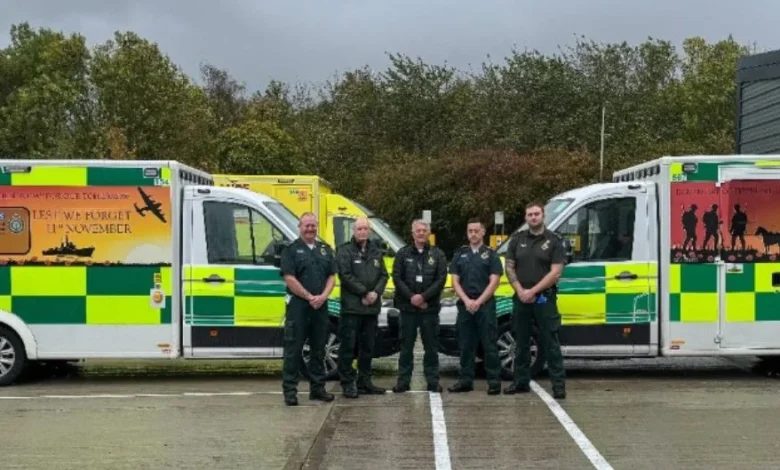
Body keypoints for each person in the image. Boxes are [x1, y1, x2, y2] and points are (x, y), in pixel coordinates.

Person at [503, 201, 567, 399]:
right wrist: (521, 291)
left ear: (543, 215)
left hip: (543, 299)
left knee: (551, 343)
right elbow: (509, 267)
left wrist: (533, 291)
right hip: (521, 298)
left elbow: (556, 272)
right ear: (525, 217)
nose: (533, 217)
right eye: (529, 214)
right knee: (520, 343)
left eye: (536, 214)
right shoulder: (516, 240)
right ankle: (521, 382)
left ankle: (558, 386)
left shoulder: (554, 241)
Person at [279, 212, 337, 406]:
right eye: (307, 225)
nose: (310, 229)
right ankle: (290, 392)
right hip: (299, 306)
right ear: (300, 226)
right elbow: (289, 277)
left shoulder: (325, 250)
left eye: (313, 225)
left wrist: (323, 296)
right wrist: (308, 296)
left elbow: (332, 276)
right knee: (293, 350)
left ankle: (318, 389)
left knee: (319, 350)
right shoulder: (291, 250)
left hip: (320, 306)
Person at [447, 218, 504, 395]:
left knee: (489, 344)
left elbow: (494, 281)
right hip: (465, 305)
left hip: (485, 305)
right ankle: (465, 380)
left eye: (476, 231)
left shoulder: (492, 255)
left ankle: (494, 382)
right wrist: (466, 300)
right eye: (470, 231)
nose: (473, 234)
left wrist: (478, 302)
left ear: (483, 232)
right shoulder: (460, 254)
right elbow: (454, 281)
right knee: (465, 345)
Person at [391, 219, 448, 393]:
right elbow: (397, 277)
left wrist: (423, 297)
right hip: (408, 309)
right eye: (418, 230)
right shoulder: (402, 254)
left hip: (429, 310)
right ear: (412, 233)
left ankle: (432, 381)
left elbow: (441, 279)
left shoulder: (438, 255)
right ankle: (403, 382)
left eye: (424, 230)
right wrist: (412, 297)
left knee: (431, 348)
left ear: (429, 233)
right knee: (406, 347)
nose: (421, 233)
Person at [335, 217, 389, 398]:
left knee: (368, 348)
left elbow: (383, 275)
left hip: (371, 309)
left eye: (365, 229)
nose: (362, 232)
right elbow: (345, 275)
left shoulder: (375, 251)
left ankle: (365, 381)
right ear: (353, 231)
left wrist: (376, 293)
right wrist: (365, 293)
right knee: (348, 348)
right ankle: (347, 382)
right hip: (352, 309)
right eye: (359, 229)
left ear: (369, 231)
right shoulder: (344, 251)